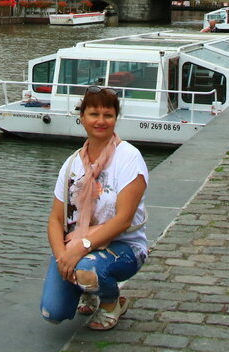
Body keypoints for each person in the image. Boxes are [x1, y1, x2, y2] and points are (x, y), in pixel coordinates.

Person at [40, 87, 148, 331]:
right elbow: (56, 220)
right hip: (77, 242)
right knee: (53, 312)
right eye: (94, 114)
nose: (101, 121)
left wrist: (81, 248)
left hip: (124, 246)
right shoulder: (72, 164)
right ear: (82, 118)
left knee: (88, 269)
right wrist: (62, 257)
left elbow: (123, 219)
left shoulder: (129, 157)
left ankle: (111, 302)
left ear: (116, 119)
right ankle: (86, 288)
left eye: (108, 115)